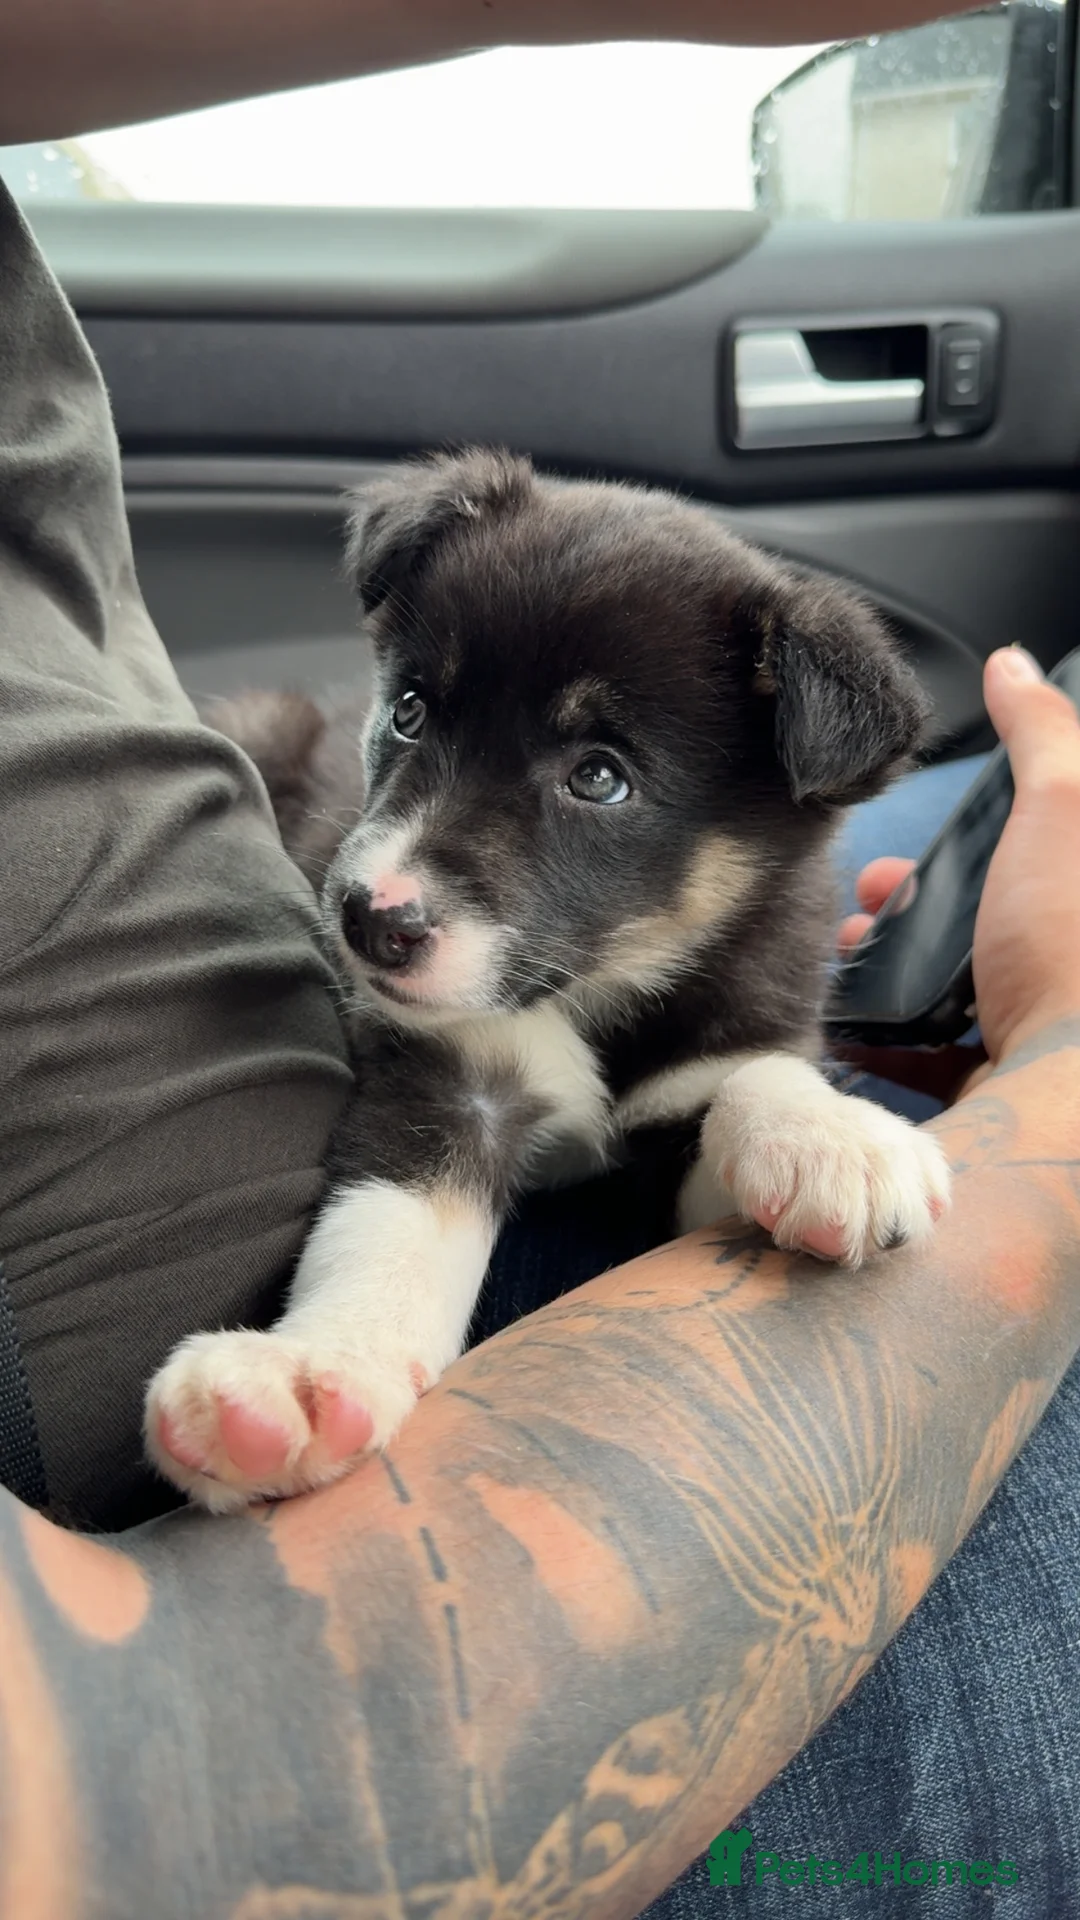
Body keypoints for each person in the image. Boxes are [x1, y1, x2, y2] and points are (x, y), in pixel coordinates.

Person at [2, 1, 1079, 1914]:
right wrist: (1056, 1050)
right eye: (421, 712)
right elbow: (446, 1133)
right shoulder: (402, 874)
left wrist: (768, 1110)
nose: (398, 865)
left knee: (769, 1119)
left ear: (783, 807)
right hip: (251, 1479)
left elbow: (730, 1121)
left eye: (595, 774)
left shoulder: (757, 870)